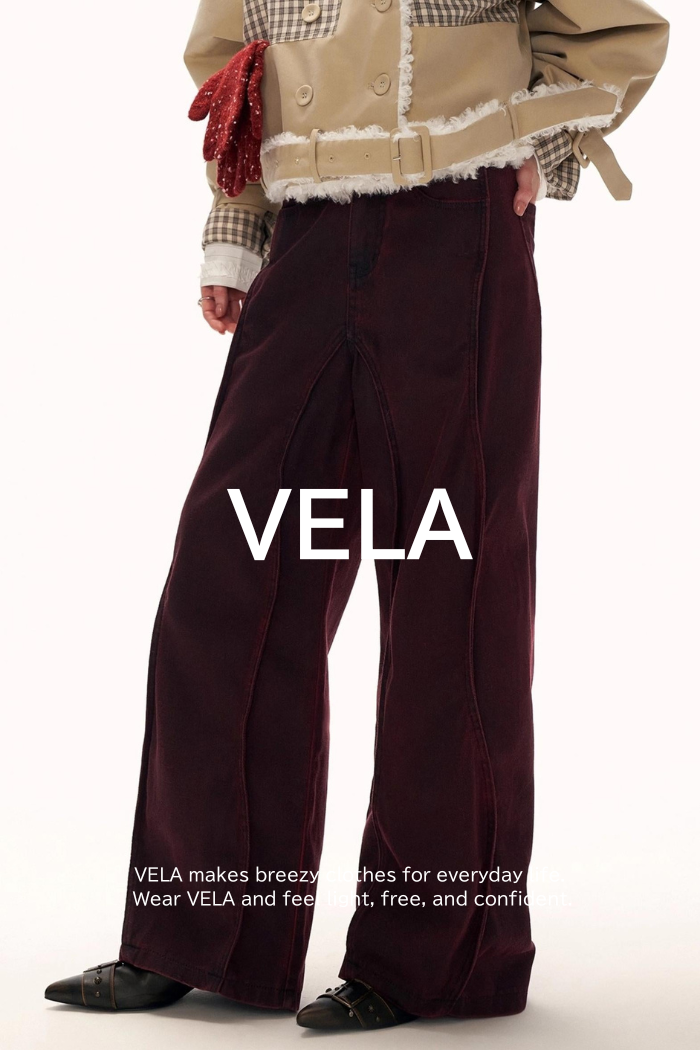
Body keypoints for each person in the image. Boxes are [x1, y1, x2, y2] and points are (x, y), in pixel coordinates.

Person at [45, 0, 669, 1031]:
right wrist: (237, 226)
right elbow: (238, 69)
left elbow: (614, 27)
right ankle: (204, 933)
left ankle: (436, 958)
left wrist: (542, 139)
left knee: (450, 593)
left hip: (458, 221)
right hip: (309, 232)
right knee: (228, 582)